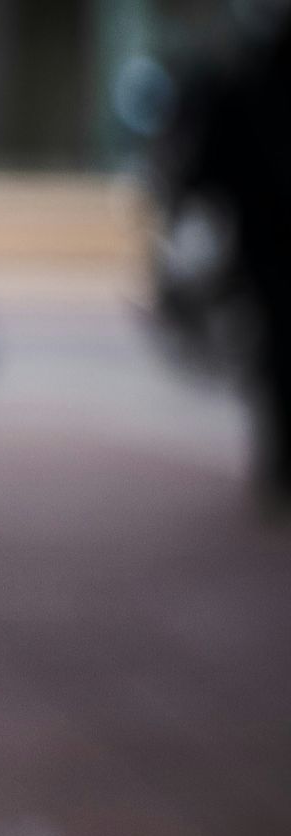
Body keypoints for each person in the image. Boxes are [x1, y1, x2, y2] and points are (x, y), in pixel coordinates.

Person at [160, 8, 291, 515]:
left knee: (277, 351)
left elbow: (209, 163)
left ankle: (278, 464)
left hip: (265, 238)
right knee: (277, 350)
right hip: (267, 237)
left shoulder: (249, 77)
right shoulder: (250, 80)